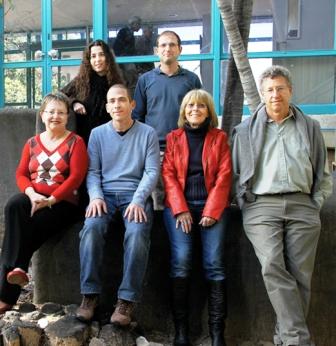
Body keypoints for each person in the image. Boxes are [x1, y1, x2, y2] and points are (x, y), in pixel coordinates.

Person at [231, 65, 332, 346]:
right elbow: (237, 174)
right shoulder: (244, 130)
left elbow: (323, 172)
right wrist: (245, 203)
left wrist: (316, 203)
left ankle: (284, 337)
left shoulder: (310, 126)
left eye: (280, 88)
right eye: (270, 90)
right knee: (273, 267)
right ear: (262, 95)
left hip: (303, 205)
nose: (275, 94)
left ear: (290, 91)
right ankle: (298, 340)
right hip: (261, 207)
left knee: (301, 276)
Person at [75, 84, 160, 325]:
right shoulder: (98, 134)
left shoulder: (147, 133)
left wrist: (138, 199)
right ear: (107, 106)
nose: (117, 105)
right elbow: (92, 171)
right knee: (90, 229)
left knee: (137, 233)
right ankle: (89, 295)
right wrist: (96, 197)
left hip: (136, 196)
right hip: (105, 196)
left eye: (122, 100)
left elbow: (152, 171)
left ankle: (126, 301)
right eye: (112, 101)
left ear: (132, 104)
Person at [0, 93, 88, 314]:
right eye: (51, 112)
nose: (55, 116)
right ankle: (18, 268)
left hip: (63, 203)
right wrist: (31, 194)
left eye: (60, 112)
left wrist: (51, 199)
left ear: (67, 117)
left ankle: (6, 295)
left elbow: (75, 177)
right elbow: (21, 173)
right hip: (35, 198)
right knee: (13, 206)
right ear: (42, 114)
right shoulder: (32, 143)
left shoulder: (76, 143)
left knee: (24, 230)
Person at [162, 89, 232, 346]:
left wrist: (212, 211)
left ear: (208, 111)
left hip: (211, 206)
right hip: (179, 207)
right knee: (181, 261)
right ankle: (181, 331)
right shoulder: (173, 138)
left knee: (214, 263)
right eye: (190, 105)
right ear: (183, 110)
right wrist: (180, 208)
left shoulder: (219, 138)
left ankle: (217, 333)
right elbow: (168, 173)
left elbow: (225, 176)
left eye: (201, 106)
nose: (195, 109)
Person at [133, 30, 202, 210]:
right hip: (155, 150)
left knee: (181, 200)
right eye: (163, 45)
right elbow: (137, 117)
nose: (167, 49)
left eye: (172, 45)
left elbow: (200, 114)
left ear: (180, 49)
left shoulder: (192, 79)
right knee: (157, 202)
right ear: (157, 50)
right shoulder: (145, 80)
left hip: (185, 148)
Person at [62, 39, 124, 144]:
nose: (97, 60)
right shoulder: (81, 80)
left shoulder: (117, 82)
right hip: (84, 139)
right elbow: (59, 96)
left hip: (109, 139)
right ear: (88, 60)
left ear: (108, 57)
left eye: (101, 55)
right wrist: (74, 102)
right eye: (93, 56)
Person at [113, 16, 142, 96]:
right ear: (134, 24)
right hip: (124, 60)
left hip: (125, 60)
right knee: (131, 79)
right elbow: (118, 47)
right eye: (139, 24)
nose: (140, 26)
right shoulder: (125, 32)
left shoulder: (128, 33)